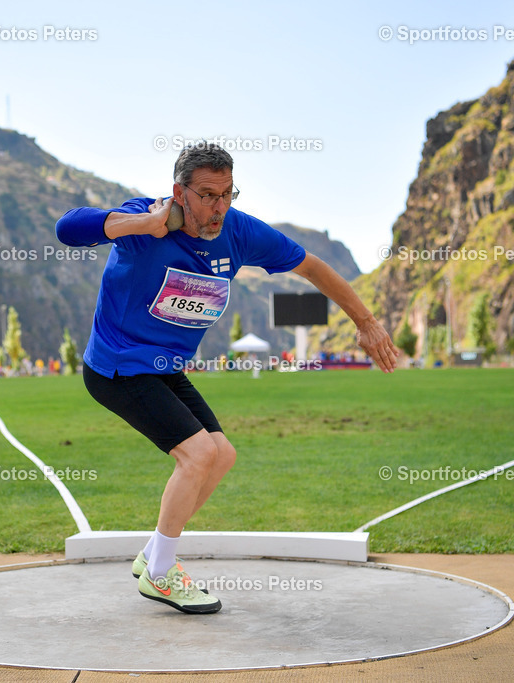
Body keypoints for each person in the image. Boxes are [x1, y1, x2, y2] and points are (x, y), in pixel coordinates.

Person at [55, 143, 399, 614]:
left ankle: (156, 552)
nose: (219, 207)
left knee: (221, 455)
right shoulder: (146, 221)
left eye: (227, 194)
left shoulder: (238, 232)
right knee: (197, 454)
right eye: (207, 195)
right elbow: (68, 228)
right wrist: (144, 224)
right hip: (116, 366)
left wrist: (365, 322)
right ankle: (161, 574)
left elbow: (313, 268)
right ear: (180, 193)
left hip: (164, 368)